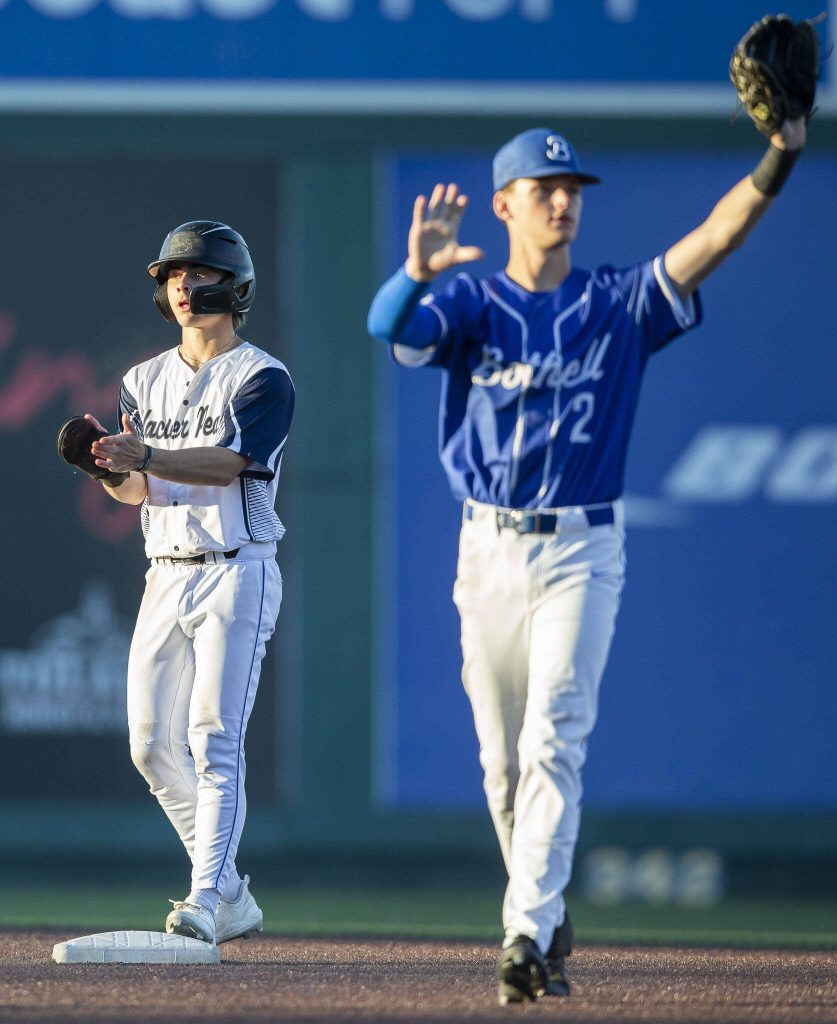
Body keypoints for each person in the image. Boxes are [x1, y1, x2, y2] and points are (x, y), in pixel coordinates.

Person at [367, 118, 806, 1003]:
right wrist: (416, 271)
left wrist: (781, 153)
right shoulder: (470, 303)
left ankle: (525, 934)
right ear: (503, 206)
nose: (563, 201)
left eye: (571, 190)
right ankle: (545, 903)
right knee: (500, 765)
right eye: (543, 190)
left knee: (553, 739)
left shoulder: (616, 302)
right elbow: (388, 330)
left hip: (580, 548)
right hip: (486, 546)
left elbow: (716, 236)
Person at [86, 220, 295, 945]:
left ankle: (205, 895)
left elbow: (227, 464)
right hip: (164, 573)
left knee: (213, 738)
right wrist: (110, 468)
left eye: (196, 270)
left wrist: (145, 453)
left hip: (238, 570)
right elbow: (140, 489)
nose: (180, 282)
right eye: (171, 273)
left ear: (232, 285)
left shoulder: (263, 376)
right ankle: (230, 887)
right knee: (149, 746)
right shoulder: (142, 380)